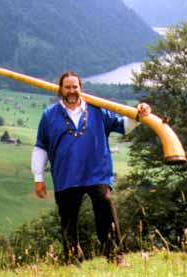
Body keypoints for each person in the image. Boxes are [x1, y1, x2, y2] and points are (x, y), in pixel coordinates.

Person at [31, 71, 151, 265]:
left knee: (105, 206)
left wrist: (139, 114)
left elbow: (123, 125)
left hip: (97, 172)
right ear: (60, 90)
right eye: (67, 87)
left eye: (75, 87)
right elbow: (41, 147)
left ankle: (115, 256)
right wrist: (38, 178)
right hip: (66, 175)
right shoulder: (49, 115)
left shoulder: (98, 110)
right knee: (68, 219)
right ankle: (72, 260)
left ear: (81, 89)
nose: (71, 91)